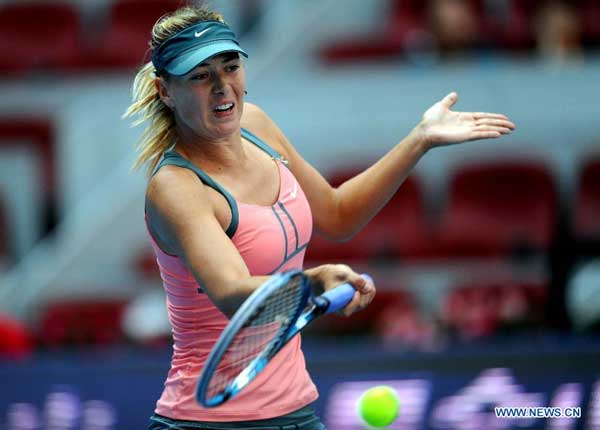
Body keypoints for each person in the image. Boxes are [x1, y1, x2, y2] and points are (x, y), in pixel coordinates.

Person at [123, 4, 515, 429]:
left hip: (295, 412)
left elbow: (339, 214)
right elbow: (234, 293)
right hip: (204, 423)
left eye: (230, 66)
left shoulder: (256, 125)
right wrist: (313, 281)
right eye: (200, 76)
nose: (222, 87)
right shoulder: (176, 188)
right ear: (165, 91)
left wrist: (419, 140)